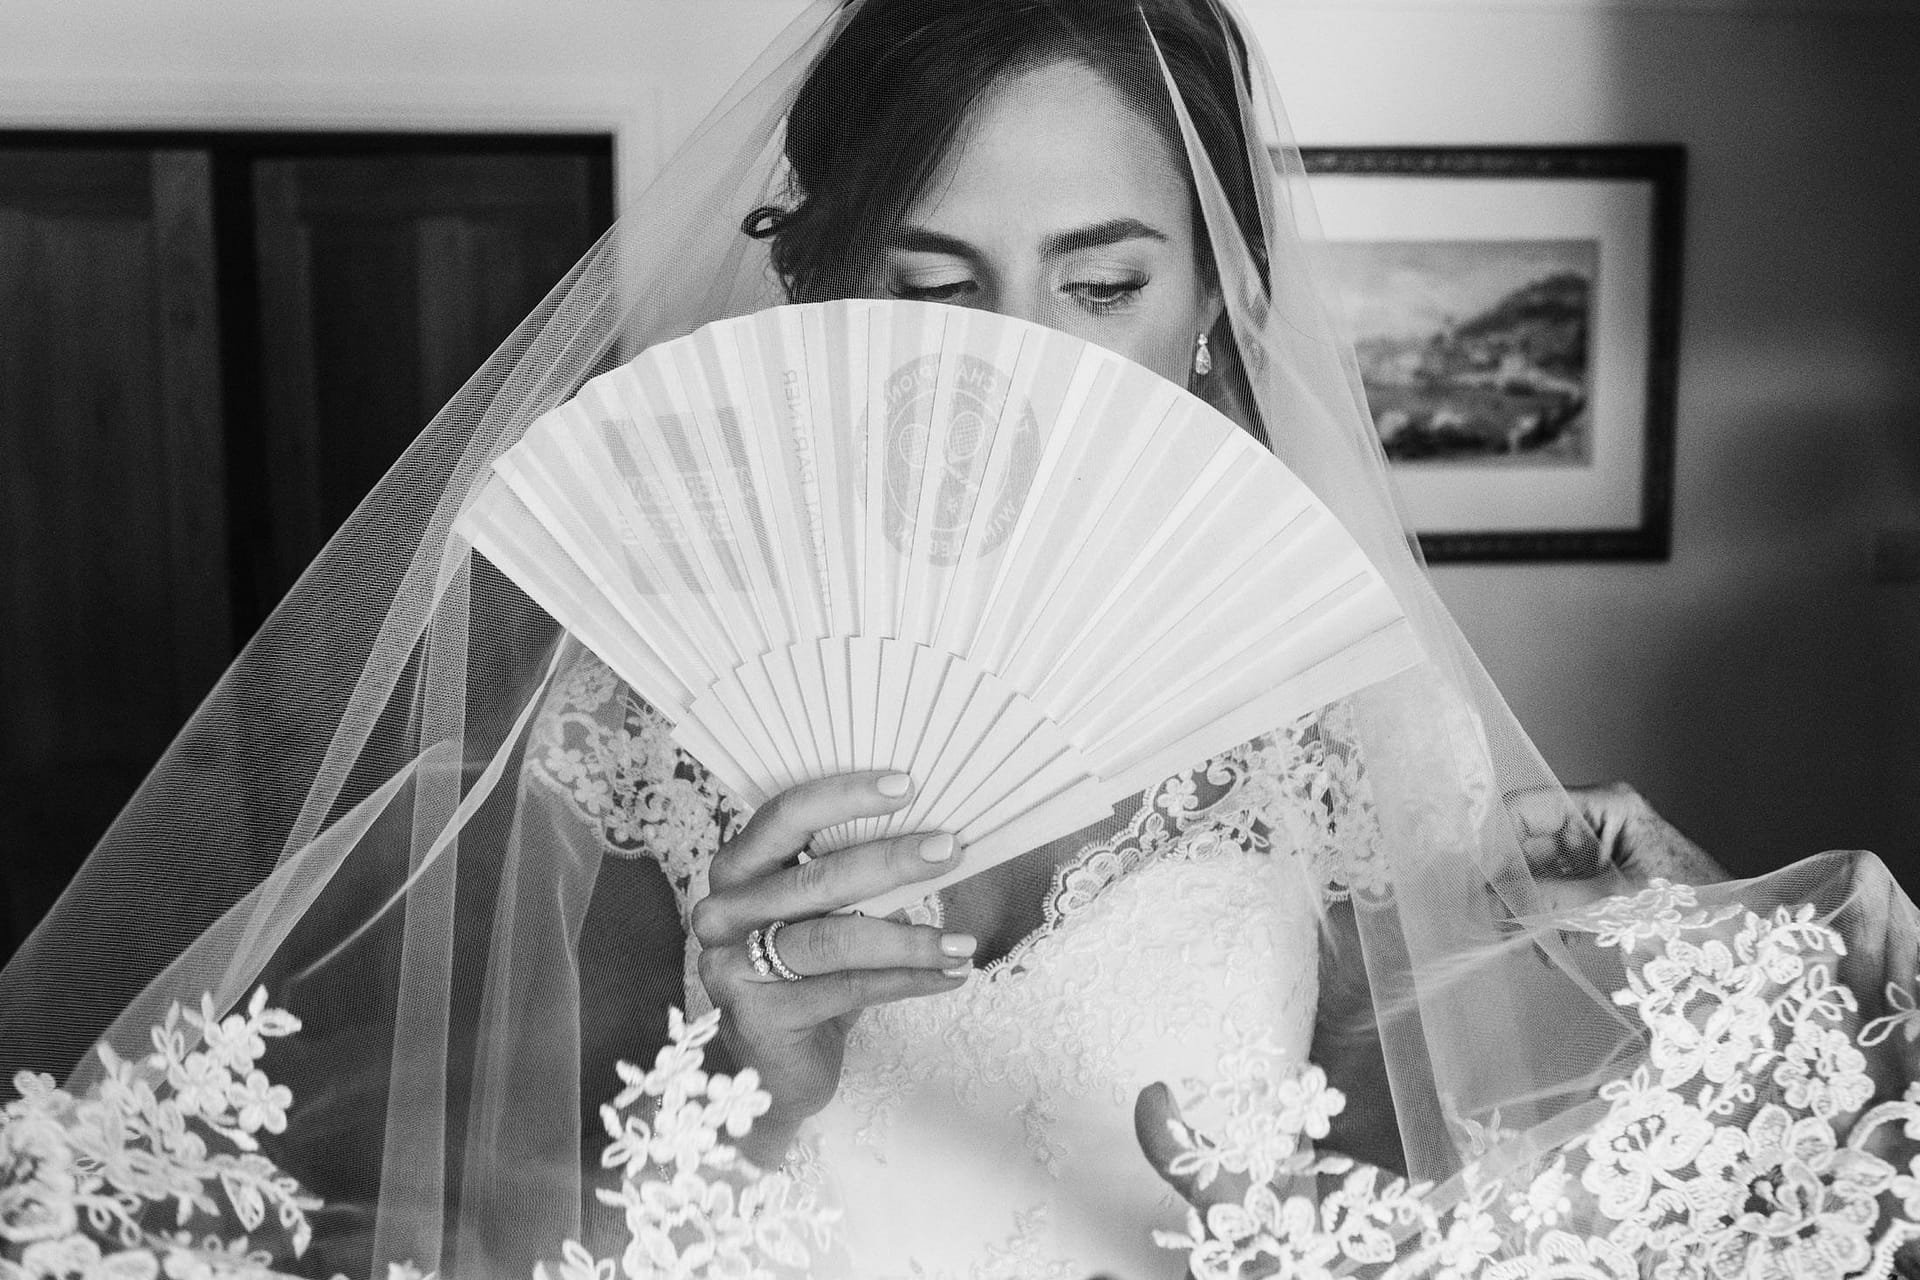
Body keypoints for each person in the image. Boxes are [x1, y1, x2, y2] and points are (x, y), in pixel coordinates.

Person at [2, 1, 1915, 1278]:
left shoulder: (1337, 689)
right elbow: (442, 1200)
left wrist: (1607, 925)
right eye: (935, 282)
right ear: (832, 290)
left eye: (1100, 280)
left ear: (1209, 301)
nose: (1021, 359)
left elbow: (1444, 1134)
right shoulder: (628, 701)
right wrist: (744, 1082)